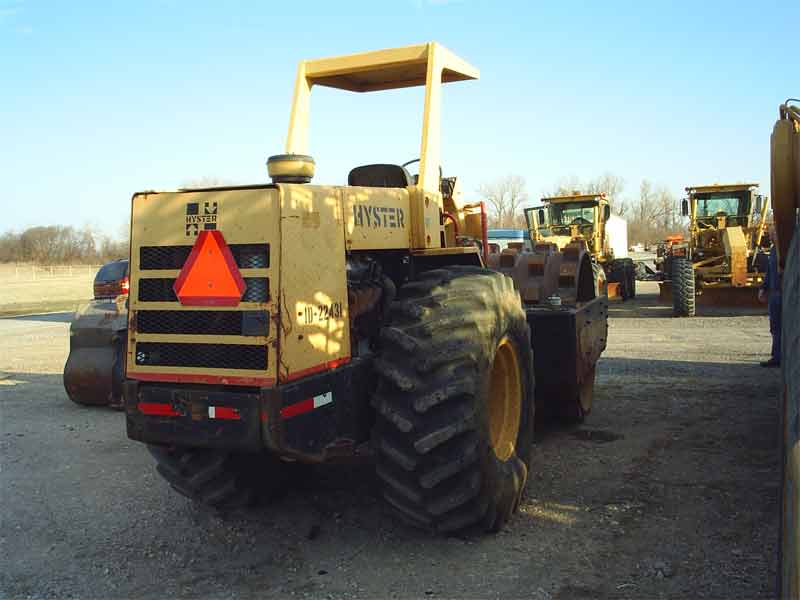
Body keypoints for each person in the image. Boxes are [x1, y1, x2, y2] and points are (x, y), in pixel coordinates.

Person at [758, 232, 782, 368]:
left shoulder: (788, 249)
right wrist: (763, 288)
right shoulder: (773, 250)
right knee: (775, 327)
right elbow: (769, 272)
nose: (771, 233)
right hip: (774, 294)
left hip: (782, 294)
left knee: (780, 327)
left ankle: (779, 357)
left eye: (774, 231)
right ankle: (776, 356)